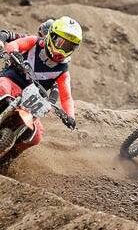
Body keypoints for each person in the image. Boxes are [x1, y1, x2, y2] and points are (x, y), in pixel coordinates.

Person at [0, 16, 81, 164]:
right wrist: (14, 51)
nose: (62, 49)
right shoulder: (34, 42)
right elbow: (15, 44)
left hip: (30, 100)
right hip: (11, 82)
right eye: (60, 43)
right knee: (2, 89)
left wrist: (70, 116)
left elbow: (66, 97)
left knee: (36, 136)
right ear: (52, 36)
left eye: (68, 47)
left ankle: (7, 160)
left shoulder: (63, 71)